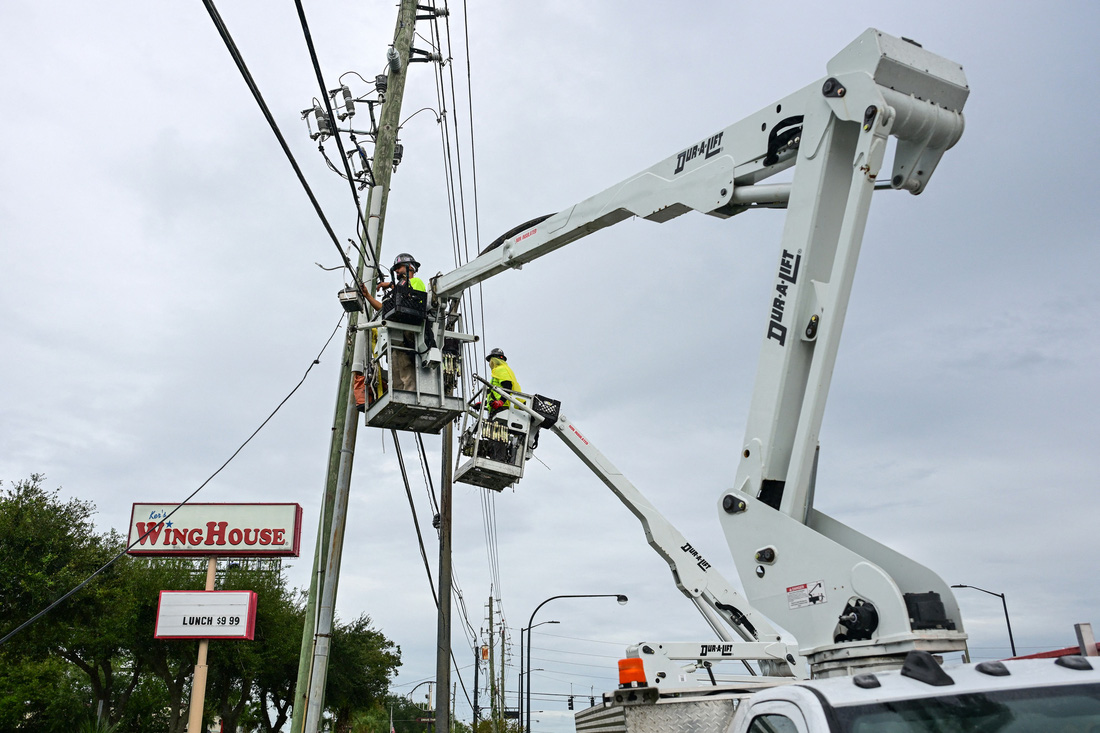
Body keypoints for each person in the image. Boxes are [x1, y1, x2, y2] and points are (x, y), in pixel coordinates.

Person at [353, 253, 427, 405]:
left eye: (399, 268)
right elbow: (383, 310)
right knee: (395, 368)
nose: (396, 271)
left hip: (408, 331)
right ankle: (397, 398)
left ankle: (410, 397)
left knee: (406, 367)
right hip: (396, 334)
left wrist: (392, 286)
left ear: (409, 267)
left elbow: (411, 298)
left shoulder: (416, 281)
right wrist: (368, 296)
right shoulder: (398, 290)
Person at [485, 347, 522, 412]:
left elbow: (508, 386)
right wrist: (483, 404)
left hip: (504, 407)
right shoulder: (500, 371)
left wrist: (501, 401)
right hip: (498, 407)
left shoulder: (500, 369)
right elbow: (494, 395)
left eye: (490, 360)